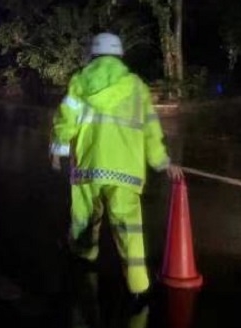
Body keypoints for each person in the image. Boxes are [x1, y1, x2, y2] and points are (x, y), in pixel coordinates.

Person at [50, 32, 184, 302]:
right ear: (120, 55)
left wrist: (58, 149)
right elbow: (150, 129)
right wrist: (162, 162)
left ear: (94, 54)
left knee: (85, 218)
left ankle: (84, 260)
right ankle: (138, 286)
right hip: (126, 173)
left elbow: (66, 119)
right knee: (129, 229)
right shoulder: (137, 87)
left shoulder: (80, 82)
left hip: (88, 168)